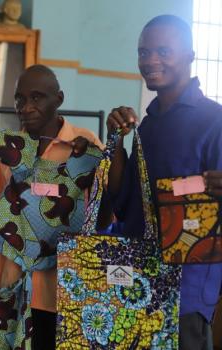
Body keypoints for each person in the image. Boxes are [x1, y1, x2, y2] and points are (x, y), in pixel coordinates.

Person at [0, 64, 107, 349]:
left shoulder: (85, 144)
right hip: (14, 285)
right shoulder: (11, 149)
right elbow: (1, 219)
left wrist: (96, 161)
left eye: (37, 97)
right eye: (20, 98)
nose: (26, 107)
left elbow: (104, 216)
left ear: (59, 99)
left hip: (64, 288)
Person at [106, 15, 222, 350]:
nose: (150, 60)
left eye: (163, 51)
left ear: (190, 55)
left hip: (186, 291)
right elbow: (125, 203)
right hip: (138, 281)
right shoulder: (147, 127)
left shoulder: (213, 121)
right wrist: (115, 139)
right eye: (143, 52)